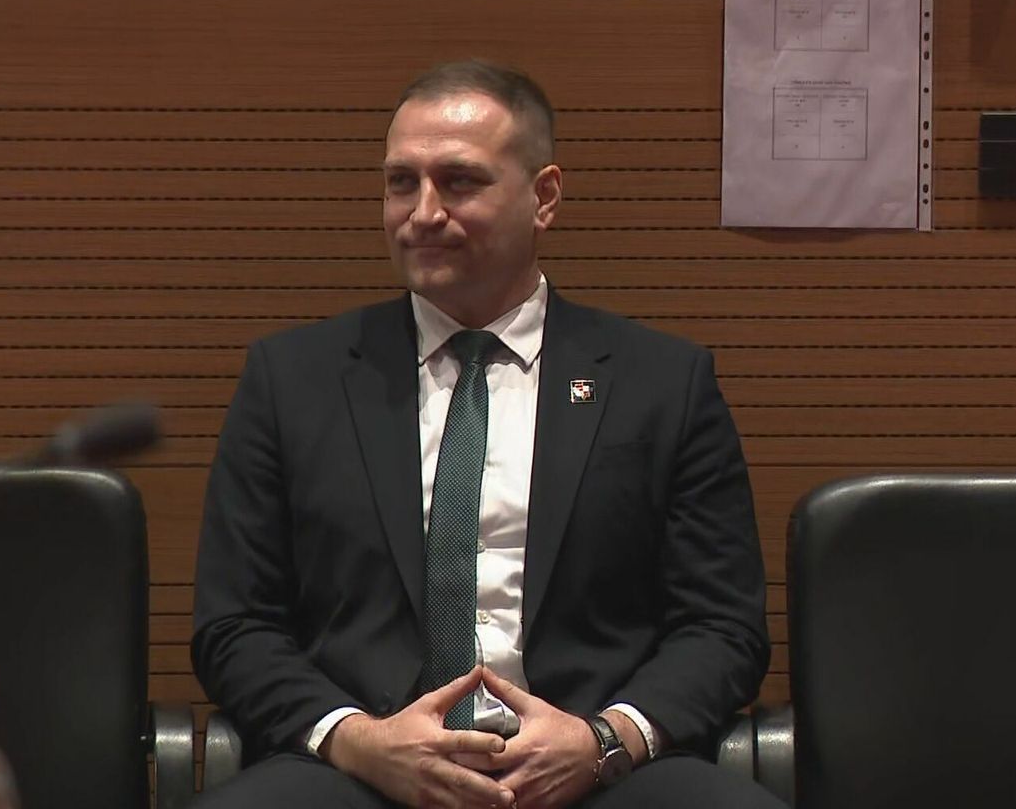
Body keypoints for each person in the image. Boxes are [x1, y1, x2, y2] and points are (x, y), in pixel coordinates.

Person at [191, 60, 781, 809]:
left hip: (592, 769)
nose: (422, 213)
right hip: (361, 770)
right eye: (401, 183)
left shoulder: (662, 383)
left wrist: (605, 740)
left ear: (544, 198)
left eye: (459, 182)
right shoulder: (293, 381)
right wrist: (358, 740)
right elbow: (235, 625)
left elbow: (723, 627)